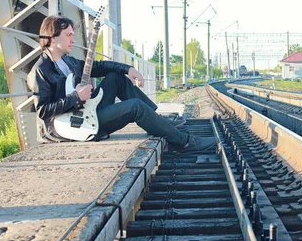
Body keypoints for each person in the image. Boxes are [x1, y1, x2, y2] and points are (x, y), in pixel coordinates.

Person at [27, 15, 216, 153]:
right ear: (52, 38)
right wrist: (75, 97)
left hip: (87, 112)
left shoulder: (68, 61)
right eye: (68, 35)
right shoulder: (40, 70)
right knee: (135, 107)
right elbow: (43, 111)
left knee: (115, 77)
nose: (73, 39)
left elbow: (100, 66)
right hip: (75, 126)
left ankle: (160, 121)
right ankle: (183, 143)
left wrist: (127, 69)